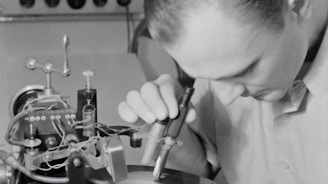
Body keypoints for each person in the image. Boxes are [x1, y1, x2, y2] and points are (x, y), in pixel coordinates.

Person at [118, 0, 328, 183]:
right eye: (205, 76)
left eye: (244, 71)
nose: (225, 98)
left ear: (299, 5)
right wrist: (176, 132)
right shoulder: (223, 51)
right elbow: (204, 172)